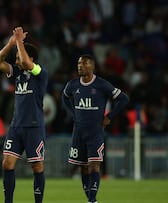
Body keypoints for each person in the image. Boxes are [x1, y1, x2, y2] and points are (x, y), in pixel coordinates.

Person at [62, 54, 129, 203]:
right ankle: (91, 199)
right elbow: (64, 97)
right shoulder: (72, 84)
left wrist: (109, 116)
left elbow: (124, 99)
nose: (80, 66)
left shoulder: (101, 84)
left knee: (94, 165)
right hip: (78, 132)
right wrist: (73, 113)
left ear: (92, 66)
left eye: (84, 63)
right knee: (83, 167)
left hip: (95, 132)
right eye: (79, 63)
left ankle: (92, 200)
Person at [0, 26, 48, 203]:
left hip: (34, 126)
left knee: (36, 166)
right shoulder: (16, 74)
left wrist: (20, 43)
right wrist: (11, 44)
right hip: (16, 126)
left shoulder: (40, 73)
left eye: (18, 57)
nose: (16, 62)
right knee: (7, 163)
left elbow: (25, 62)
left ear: (32, 58)